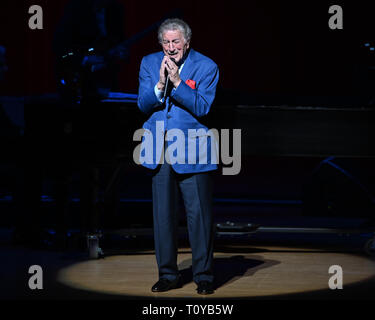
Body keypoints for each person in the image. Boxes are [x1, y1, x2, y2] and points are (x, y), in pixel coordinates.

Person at [137, 18, 219, 295]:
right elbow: (143, 104)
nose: (171, 48)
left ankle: (204, 276)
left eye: (176, 42)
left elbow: (203, 107)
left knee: (199, 218)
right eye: (166, 42)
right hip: (159, 151)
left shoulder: (206, 66)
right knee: (163, 218)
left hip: (193, 152)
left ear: (187, 42)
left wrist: (178, 82)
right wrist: (161, 84)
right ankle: (168, 275)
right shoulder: (148, 63)